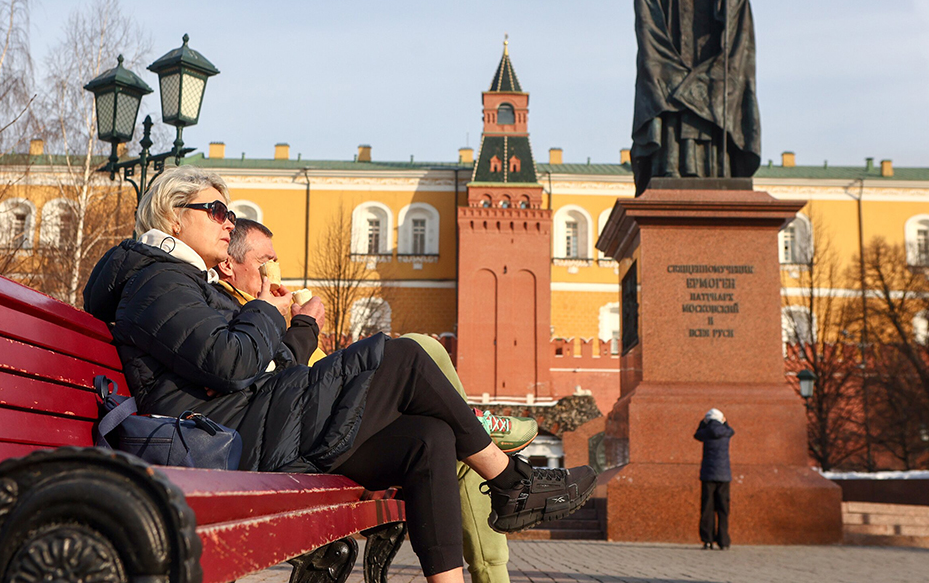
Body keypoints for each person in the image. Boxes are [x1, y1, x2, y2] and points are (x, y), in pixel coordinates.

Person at [83, 166, 595, 583]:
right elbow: (231, 362)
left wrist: (300, 327)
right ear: (173, 218)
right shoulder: (157, 278)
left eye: (230, 212)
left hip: (245, 424)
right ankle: (511, 483)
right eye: (216, 210)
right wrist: (263, 310)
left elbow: (263, 367)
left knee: (428, 437)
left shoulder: (184, 280)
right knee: (404, 357)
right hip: (223, 439)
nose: (227, 221)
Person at [217, 217, 537, 583]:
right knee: (418, 354)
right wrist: (300, 326)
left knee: (436, 435)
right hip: (299, 440)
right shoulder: (243, 315)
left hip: (317, 424)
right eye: (265, 263)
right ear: (229, 266)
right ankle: (485, 442)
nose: (275, 274)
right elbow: (271, 384)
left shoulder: (261, 311)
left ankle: (475, 438)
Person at [630, 0, 761, 195]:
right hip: (672, 45)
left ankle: (717, 169)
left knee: (711, 97)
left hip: (710, 50)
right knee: (673, 97)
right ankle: (671, 164)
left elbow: (732, 10)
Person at [694, 407, 733, 550]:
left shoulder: (706, 433)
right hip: (724, 475)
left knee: (707, 508)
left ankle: (707, 539)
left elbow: (696, 435)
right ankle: (723, 540)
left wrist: (703, 423)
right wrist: (725, 422)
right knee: (723, 508)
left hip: (708, 475)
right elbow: (731, 430)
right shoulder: (726, 433)